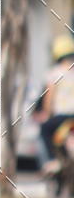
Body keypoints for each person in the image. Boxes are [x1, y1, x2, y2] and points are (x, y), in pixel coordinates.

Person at [38, 35, 74, 171]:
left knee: (44, 130)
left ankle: (52, 161)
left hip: (61, 118)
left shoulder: (54, 73)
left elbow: (49, 98)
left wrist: (47, 114)